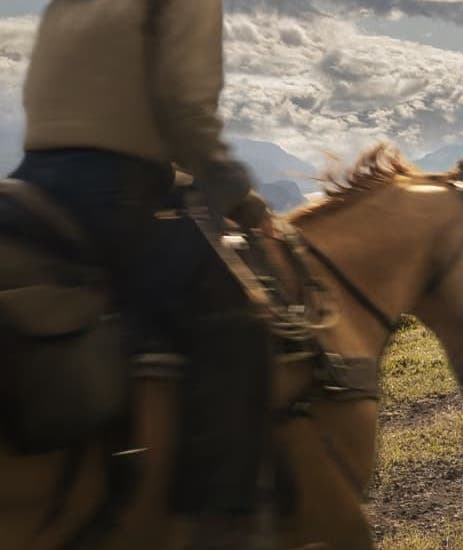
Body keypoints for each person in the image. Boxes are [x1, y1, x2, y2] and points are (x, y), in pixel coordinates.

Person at [11, 1, 272, 547]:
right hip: (113, 190)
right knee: (238, 318)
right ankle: (222, 523)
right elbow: (185, 111)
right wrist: (240, 198)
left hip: (31, 182)